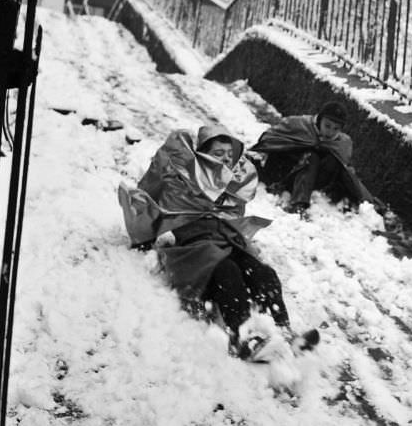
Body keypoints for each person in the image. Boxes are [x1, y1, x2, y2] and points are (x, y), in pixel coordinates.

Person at [117, 124, 318, 359]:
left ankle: (284, 332)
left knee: (264, 274)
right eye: (218, 153)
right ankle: (242, 339)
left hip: (227, 240)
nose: (225, 159)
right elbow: (150, 192)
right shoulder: (181, 179)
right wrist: (142, 230)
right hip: (194, 248)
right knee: (228, 272)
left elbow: (235, 217)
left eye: (229, 155)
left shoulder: (231, 186)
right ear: (202, 153)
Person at [251, 100, 379, 217]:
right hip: (288, 172)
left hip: (315, 181)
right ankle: (298, 204)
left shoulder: (343, 142)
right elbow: (270, 136)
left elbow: (347, 168)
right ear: (319, 120)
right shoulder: (299, 124)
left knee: (333, 162)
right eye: (327, 126)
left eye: (336, 129)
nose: (330, 132)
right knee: (311, 157)